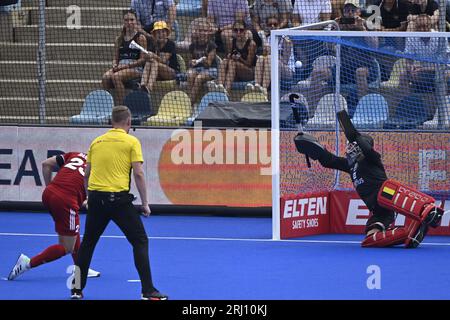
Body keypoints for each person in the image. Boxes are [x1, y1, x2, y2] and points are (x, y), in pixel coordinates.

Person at [293, 114, 444, 248]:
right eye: (349, 146)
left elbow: (366, 148)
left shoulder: (372, 159)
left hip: (389, 197)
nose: (349, 148)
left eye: (353, 146)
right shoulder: (350, 165)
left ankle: (429, 211)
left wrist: (356, 137)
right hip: (379, 210)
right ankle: (410, 233)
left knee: (389, 189)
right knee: (370, 240)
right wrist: (310, 147)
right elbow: (329, 160)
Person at [70, 106, 167, 300]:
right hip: (119, 201)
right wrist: (145, 203)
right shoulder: (131, 141)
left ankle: (76, 290)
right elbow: (138, 173)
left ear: (111, 121)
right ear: (128, 122)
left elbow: (86, 174)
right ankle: (148, 291)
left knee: (88, 243)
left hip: (97, 199)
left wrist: (89, 197)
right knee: (140, 241)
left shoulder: (97, 142)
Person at [7, 152, 100, 281]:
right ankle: (27, 263)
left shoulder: (77, 154)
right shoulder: (100, 166)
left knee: (72, 229)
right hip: (66, 201)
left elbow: (46, 164)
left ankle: (80, 268)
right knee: (67, 247)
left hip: (49, 194)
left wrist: (50, 187)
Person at [102, 9, 147, 104]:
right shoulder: (119, 39)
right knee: (105, 77)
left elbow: (143, 59)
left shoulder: (140, 38)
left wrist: (127, 66)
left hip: (135, 68)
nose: (129, 22)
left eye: (132, 20)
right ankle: (107, 105)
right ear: (123, 21)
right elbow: (116, 58)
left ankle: (123, 105)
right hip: (120, 67)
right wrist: (114, 64)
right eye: (126, 20)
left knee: (116, 77)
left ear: (136, 21)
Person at [247, 15, 294, 97]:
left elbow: (285, 61)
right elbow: (265, 55)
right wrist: (264, 41)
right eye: (270, 25)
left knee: (269, 58)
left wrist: (272, 52)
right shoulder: (268, 38)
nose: (272, 26)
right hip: (272, 66)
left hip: (287, 71)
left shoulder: (286, 39)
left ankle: (264, 89)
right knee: (261, 58)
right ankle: (257, 86)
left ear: (279, 25)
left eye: (275, 24)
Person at [211, 21, 257, 96]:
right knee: (225, 61)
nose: (238, 32)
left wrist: (239, 59)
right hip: (235, 71)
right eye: (236, 30)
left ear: (245, 31)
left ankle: (226, 91)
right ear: (233, 31)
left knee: (233, 63)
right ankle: (220, 87)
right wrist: (229, 57)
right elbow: (229, 57)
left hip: (250, 72)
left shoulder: (251, 44)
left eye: (241, 30)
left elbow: (249, 64)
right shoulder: (231, 41)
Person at [139, 20, 179, 93]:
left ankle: (149, 87)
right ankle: (142, 86)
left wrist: (153, 56)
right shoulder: (154, 44)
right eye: (158, 32)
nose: (161, 34)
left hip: (172, 73)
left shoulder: (170, 44)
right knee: (149, 62)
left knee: (154, 62)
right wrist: (147, 56)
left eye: (163, 32)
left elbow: (163, 61)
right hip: (157, 73)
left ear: (167, 33)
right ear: (154, 34)